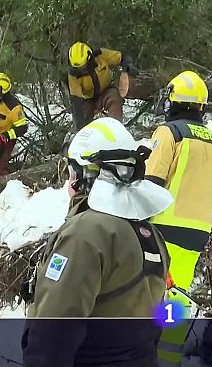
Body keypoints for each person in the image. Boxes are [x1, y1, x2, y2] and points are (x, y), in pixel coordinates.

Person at [21, 117, 174, 367]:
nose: (69, 183)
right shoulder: (149, 233)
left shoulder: (85, 234)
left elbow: (53, 332)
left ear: (85, 176)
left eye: (72, 171)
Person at [145, 71, 212, 367]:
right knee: (177, 293)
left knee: (148, 291)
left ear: (173, 101)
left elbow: (151, 180)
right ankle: (168, 356)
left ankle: (140, 351)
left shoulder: (169, 133)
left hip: (162, 227)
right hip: (197, 232)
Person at [67, 41, 139, 131]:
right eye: (78, 68)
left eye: (83, 66)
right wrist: (80, 127)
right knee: (83, 115)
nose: (81, 70)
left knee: (114, 99)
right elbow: (76, 101)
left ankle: (116, 130)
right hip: (88, 99)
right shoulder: (73, 75)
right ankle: (87, 138)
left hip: (106, 90)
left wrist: (128, 65)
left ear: (89, 58)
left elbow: (121, 57)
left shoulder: (101, 55)